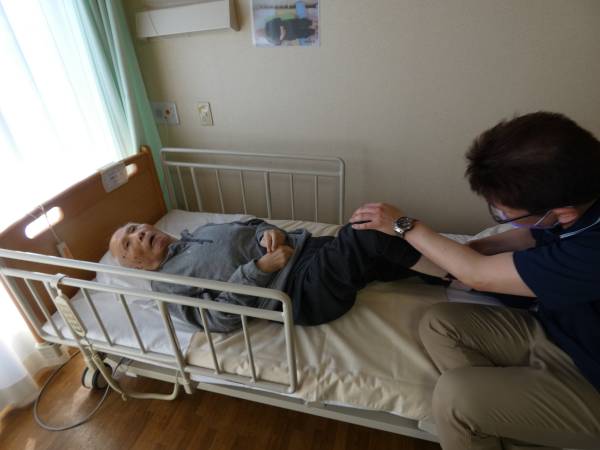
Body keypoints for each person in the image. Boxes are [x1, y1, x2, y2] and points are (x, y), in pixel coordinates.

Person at [350, 112, 600, 449]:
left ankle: (482, 418)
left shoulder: (592, 250)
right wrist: (473, 250)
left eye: (504, 213)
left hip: (591, 378)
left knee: (455, 397)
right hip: (564, 334)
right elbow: (533, 236)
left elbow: (478, 276)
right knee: (441, 323)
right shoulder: (581, 196)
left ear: (562, 210)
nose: (501, 217)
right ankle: (500, 425)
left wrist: (403, 225)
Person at [109, 218, 437, 333]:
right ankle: (453, 270)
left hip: (307, 249)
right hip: (299, 291)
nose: (138, 234)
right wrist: (259, 270)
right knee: (365, 231)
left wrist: (271, 232)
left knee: (380, 250)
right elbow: (217, 319)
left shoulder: (201, 230)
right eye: (128, 243)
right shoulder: (168, 284)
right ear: (136, 266)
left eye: (135, 228)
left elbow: (253, 224)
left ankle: (446, 266)